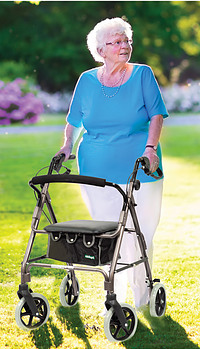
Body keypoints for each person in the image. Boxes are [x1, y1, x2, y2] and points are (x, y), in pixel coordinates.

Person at [56, 17, 168, 311]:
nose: (124, 46)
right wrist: (67, 146)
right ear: (100, 50)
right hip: (95, 169)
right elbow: (74, 122)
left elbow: (156, 115)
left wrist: (151, 148)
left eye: (126, 40)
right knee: (107, 234)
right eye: (116, 42)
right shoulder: (87, 80)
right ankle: (113, 296)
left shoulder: (142, 74)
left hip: (140, 166)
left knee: (141, 231)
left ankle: (143, 297)